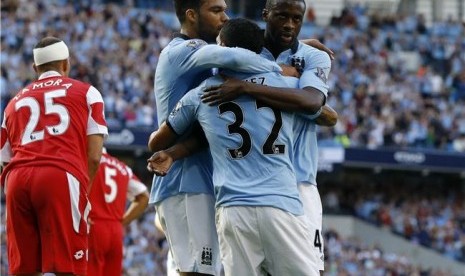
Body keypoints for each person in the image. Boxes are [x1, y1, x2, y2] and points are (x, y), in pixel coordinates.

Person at [149, 18, 320, 276]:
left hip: (233, 209)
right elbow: (324, 113)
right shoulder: (287, 87)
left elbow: (156, 142)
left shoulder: (203, 93)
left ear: (224, 48)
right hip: (281, 204)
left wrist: (174, 149)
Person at [188, 0, 336, 273]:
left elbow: (316, 105)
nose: (289, 24)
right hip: (249, 186)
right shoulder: (244, 50)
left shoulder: (314, 57)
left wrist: (247, 88)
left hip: (299, 179)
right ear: (266, 15)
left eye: (296, 18)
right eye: (282, 16)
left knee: (314, 269)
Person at [0, 36, 107, 275]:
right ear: (66, 64)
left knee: (24, 269)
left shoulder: (13, 103)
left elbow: (4, 160)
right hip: (59, 176)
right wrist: (83, 192)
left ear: (35, 68)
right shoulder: (88, 93)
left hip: (17, 179)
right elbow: (94, 156)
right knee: (67, 267)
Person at [87, 148, 149, 276]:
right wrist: (121, 222)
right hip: (115, 230)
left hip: (93, 225)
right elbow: (144, 197)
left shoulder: (86, 160)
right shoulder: (122, 167)